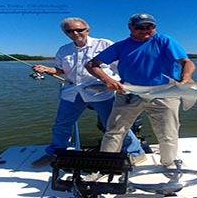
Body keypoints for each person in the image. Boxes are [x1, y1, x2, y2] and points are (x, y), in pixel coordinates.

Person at [30, 17, 145, 168]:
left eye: (79, 30)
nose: (75, 33)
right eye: (70, 31)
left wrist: (123, 84)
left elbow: (122, 65)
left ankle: (135, 153)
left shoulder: (104, 44)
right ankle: (55, 153)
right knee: (61, 125)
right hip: (73, 92)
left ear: (87, 30)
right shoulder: (64, 50)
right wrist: (46, 69)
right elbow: (61, 70)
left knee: (114, 125)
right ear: (65, 33)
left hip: (102, 91)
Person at [86, 13, 196, 166]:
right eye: (140, 27)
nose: (145, 30)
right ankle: (105, 166)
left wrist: (187, 78)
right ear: (130, 28)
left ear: (154, 27)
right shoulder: (121, 46)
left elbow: (187, 62)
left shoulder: (165, 41)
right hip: (129, 93)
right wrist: (107, 80)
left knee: (168, 134)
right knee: (113, 132)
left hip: (164, 94)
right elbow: (92, 64)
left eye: (149, 27)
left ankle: (168, 164)